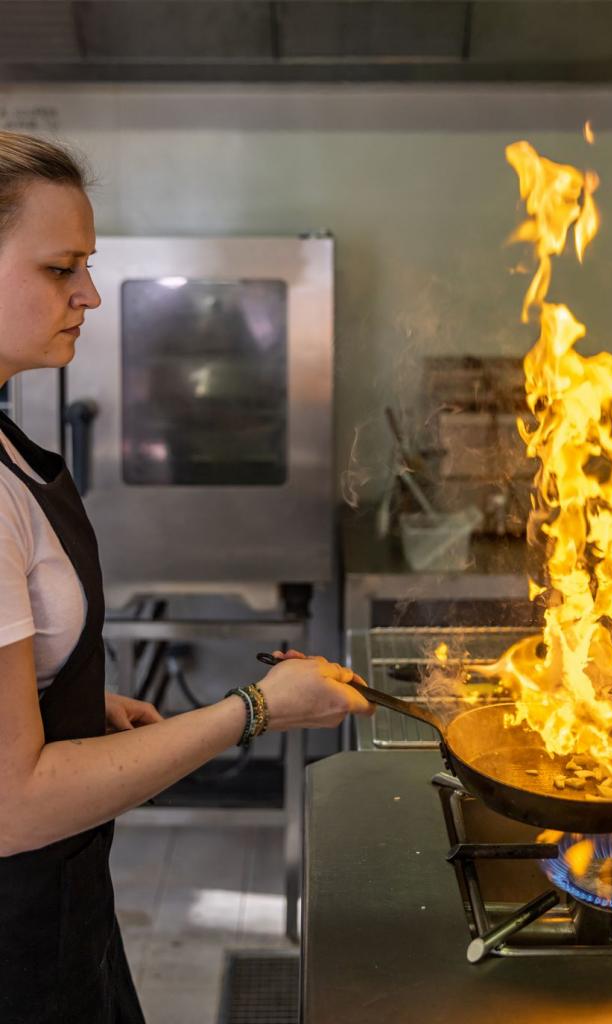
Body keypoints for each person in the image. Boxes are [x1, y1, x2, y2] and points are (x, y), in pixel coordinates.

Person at [0, 130, 374, 1024]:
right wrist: (255, 710)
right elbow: (12, 805)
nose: (89, 294)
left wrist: (77, 709)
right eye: (62, 269)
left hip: (62, 907)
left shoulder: (8, 442)